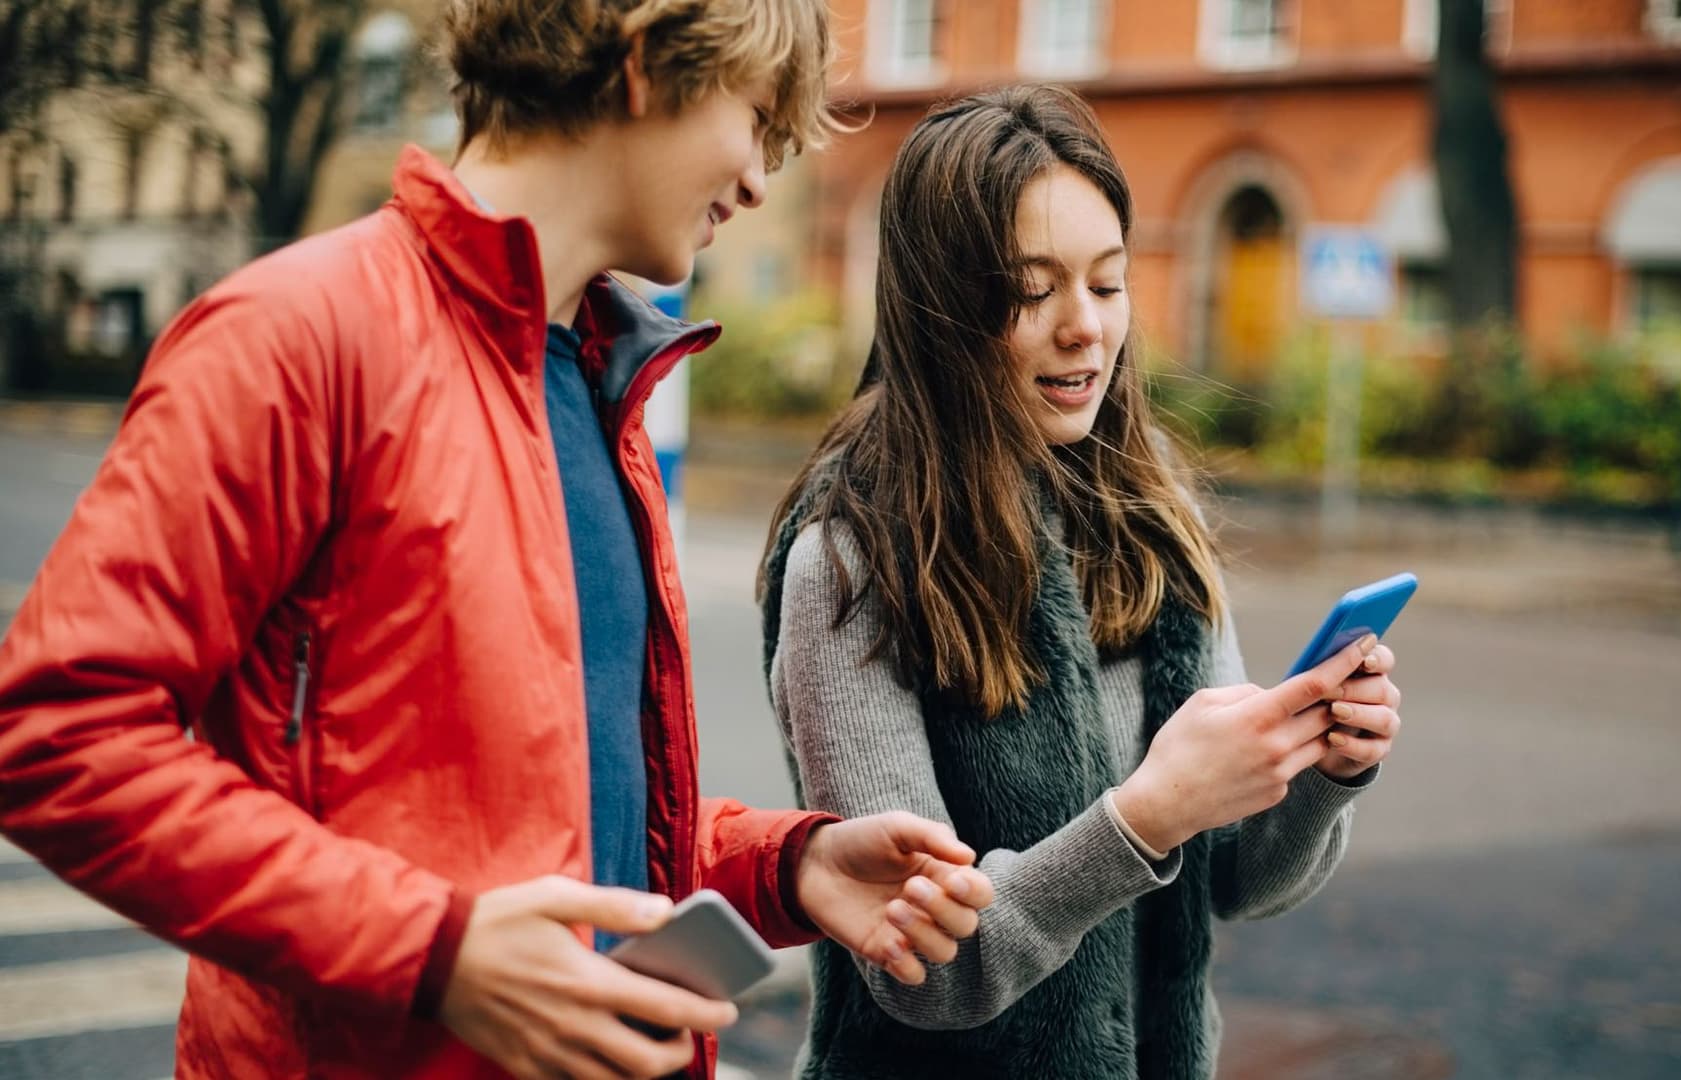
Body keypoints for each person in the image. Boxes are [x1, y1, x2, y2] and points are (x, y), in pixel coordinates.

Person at [0, 3, 991, 1078]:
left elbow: (554, 816)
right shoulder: (295, 335)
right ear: (648, 60)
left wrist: (784, 867)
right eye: (756, 119)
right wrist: (434, 951)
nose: (757, 180)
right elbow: (59, 732)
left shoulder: (600, 384)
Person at [758, 85, 1406, 1078]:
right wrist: (1143, 817)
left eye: (1108, 285)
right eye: (1032, 290)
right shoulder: (852, 562)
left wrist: (1325, 769)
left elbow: (1234, 879)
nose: (1084, 329)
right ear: (940, 305)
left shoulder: (1156, 526)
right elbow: (925, 971)